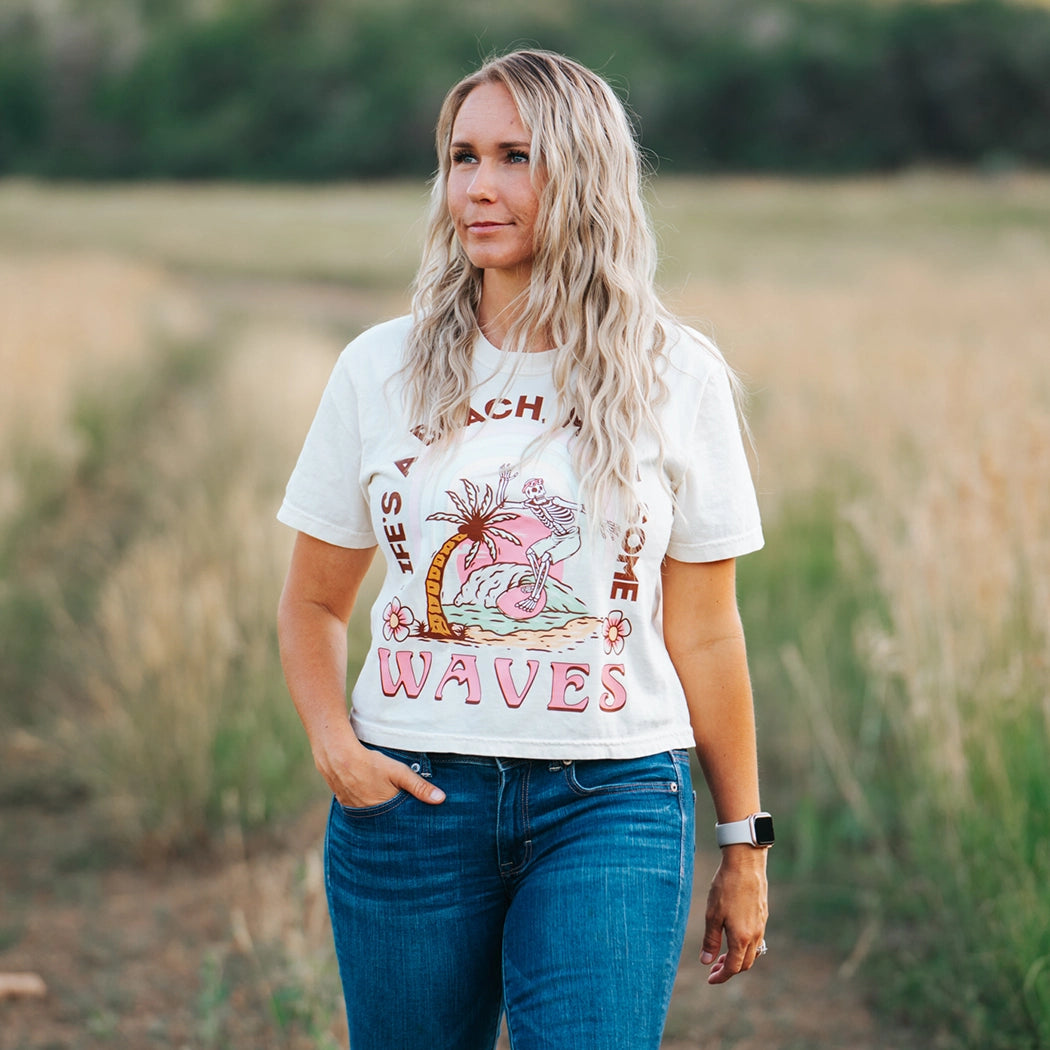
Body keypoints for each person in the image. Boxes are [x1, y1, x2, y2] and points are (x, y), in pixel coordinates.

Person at [277, 48, 771, 1050]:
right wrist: (336, 744)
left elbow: (708, 634)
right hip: (410, 801)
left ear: (585, 174)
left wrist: (745, 845)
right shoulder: (381, 369)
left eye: (517, 156)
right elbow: (315, 603)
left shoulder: (677, 375)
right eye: (462, 157)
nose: (480, 186)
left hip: (612, 800)